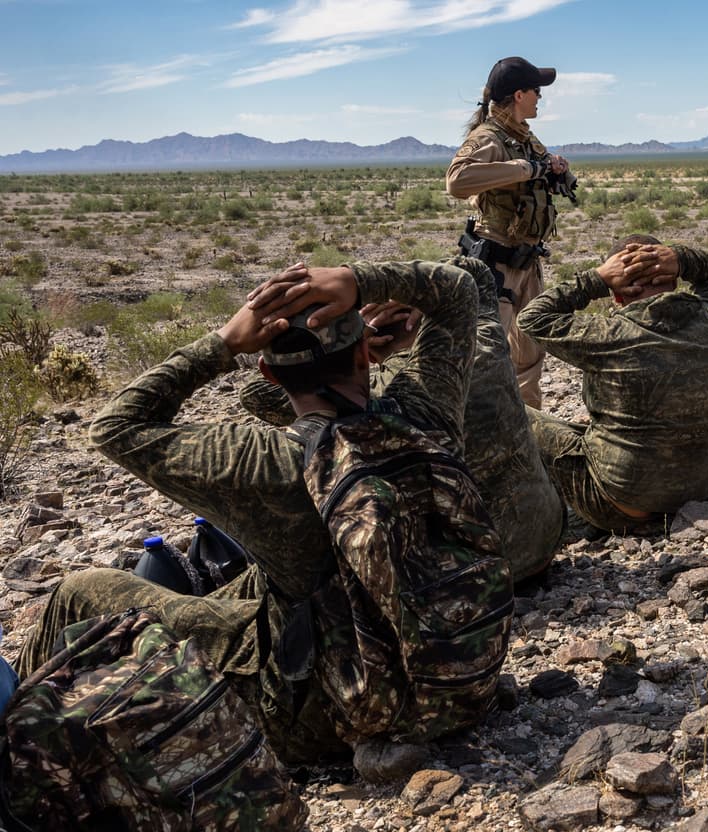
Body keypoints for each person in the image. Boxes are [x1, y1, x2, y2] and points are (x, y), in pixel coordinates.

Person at [19, 258, 510, 763]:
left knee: (81, 591)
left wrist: (224, 343)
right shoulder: (426, 414)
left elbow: (114, 426)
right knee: (259, 583)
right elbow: (458, 289)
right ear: (366, 352)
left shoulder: (265, 463)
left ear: (269, 373)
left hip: (320, 716)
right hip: (460, 678)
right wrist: (356, 280)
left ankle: (12, 742)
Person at [239, 256, 564, 582]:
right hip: (541, 544)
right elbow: (475, 274)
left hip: (468, 579)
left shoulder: (376, 402)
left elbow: (255, 394)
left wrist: (352, 345)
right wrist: (392, 287)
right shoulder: (486, 341)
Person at [516, 236, 708, 533]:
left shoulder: (608, 335)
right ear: (673, 280)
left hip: (616, 505)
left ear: (617, 296)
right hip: (696, 495)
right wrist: (681, 258)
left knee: (508, 408)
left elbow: (531, 318)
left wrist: (595, 279)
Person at [447, 56, 573, 410]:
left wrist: (555, 170)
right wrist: (523, 169)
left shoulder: (526, 138)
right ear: (519, 94)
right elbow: (456, 180)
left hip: (528, 263)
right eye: (536, 91)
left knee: (530, 355)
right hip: (496, 265)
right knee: (484, 353)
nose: (540, 97)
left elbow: (541, 172)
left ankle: (531, 429)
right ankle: (470, 428)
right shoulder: (488, 138)